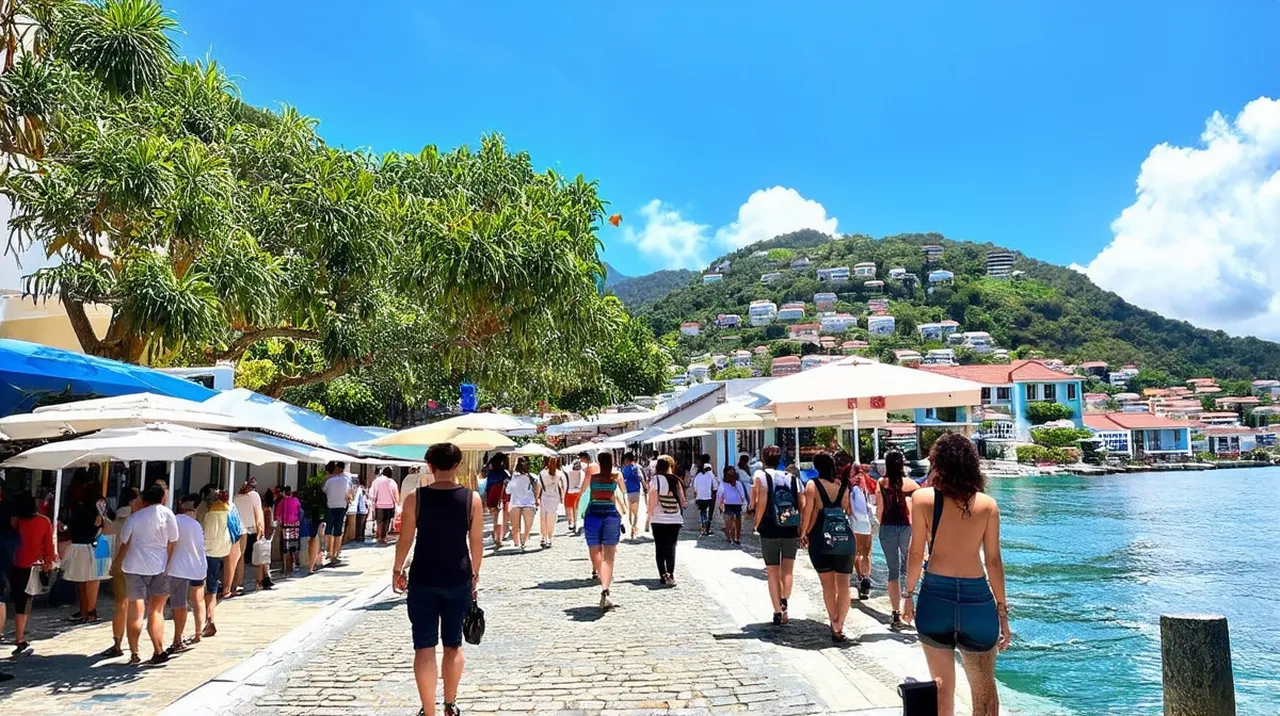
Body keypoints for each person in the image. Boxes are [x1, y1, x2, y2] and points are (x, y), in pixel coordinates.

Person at [903, 433, 1011, 716]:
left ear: (938, 464)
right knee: (985, 692)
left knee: (941, 688)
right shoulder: (987, 505)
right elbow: (994, 562)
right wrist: (1002, 613)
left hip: (935, 599)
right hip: (977, 602)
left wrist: (908, 594)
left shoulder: (922, 499)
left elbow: (916, 554)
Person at [392, 442, 483, 716]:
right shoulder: (472, 500)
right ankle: (450, 704)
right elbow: (476, 542)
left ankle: (428, 710)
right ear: (457, 466)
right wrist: (475, 573)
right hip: (458, 576)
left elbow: (405, 539)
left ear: (429, 466)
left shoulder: (415, 499)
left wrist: (397, 570)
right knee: (453, 644)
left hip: (423, 577)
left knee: (424, 646)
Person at [116, 484, 179, 665]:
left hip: (134, 566)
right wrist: (167, 561)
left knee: (136, 613)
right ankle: (158, 650)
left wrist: (116, 563)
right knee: (156, 611)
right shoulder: (168, 515)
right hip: (160, 566)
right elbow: (172, 541)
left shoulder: (134, 518)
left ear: (143, 500)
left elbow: (124, 542)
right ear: (162, 498)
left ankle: (134, 653)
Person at [799, 453, 854, 642]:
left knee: (828, 584)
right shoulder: (842, 487)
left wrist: (804, 532)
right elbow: (848, 511)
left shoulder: (812, 485)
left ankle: (833, 622)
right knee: (844, 585)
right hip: (844, 538)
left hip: (821, 538)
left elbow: (808, 512)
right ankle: (840, 624)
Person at [752, 445, 803, 625]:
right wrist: (802, 529)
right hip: (790, 526)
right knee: (788, 569)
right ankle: (785, 603)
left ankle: (776, 610)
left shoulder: (760, 476)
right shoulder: (792, 478)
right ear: (780, 459)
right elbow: (801, 504)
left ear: (764, 459)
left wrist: (756, 524)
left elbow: (759, 502)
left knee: (772, 569)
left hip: (769, 526)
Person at [62, 471, 112, 623]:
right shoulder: (96, 501)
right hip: (100, 541)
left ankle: (88, 610)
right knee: (93, 577)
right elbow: (109, 521)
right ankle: (89, 609)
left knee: (84, 578)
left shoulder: (75, 499)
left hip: (88, 541)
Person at [9, 492, 55, 656]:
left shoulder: (15, 521)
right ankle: (19, 637)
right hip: (31, 565)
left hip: (12, 562)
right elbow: (48, 546)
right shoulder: (44, 521)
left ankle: (16, 634)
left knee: (12, 599)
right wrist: (48, 562)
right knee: (24, 602)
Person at [878, 450, 919, 631]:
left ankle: (895, 613)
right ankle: (910, 606)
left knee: (892, 571)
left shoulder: (881, 483)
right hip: (906, 528)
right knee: (908, 568)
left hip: (887, 528)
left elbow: (879, 511)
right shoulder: (912, 485)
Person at [581, 452, 628, 610]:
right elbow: (623, 492)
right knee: (609, 556)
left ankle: (602, 577)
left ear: (599, 463)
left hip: (593, 514)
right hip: (610, 515)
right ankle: (605, 588)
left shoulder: (593, 478)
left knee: (595, 551)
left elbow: (586, 494)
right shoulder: (615, 477)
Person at [166, 495, 207, 653]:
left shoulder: (175, 521)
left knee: (179, 603)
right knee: (198, 599)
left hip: (178, 568)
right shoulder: (197, 525)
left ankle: (179, 637)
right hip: (198, 567)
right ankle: (198, 632)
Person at [647, 455, 685, 585]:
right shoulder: (676, 480)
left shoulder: (655, 480)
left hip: (658, 519)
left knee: (660, 547)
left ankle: (663, 575)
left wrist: (649, 517)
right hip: (675, 519)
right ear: (670, 467)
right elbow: (683, 502)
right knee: (671, 546)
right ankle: (671, 573)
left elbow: (652, 501)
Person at [200, 491, 234, 638]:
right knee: (212, 586)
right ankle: (209, 617)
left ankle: (208, 618)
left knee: (207, 587)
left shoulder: (210, 515)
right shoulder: (229, 511)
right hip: (222, 550)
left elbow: (206, 534)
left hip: (208, 552)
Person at [232, 477, 268, 592]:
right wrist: (261, 529)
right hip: (253, 529)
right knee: (258, 557)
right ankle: (259, 582)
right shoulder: (255, 495)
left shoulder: (235, 497)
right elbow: (258, 513)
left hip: (240, 530)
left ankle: (237, 582)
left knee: (240, 557)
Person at [849, 464, 876, 601]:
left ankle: (861, 579)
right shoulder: (869, 483)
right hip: (868, 524)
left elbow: (857, 507)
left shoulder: (854, 485)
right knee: (867, 553)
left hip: (857, 522)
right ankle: (866, 578)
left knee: (856, 552)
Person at [321, 462, 353, 566]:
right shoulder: (347, 480)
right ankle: (335, 554)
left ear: (336, 468)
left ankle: (329, 553)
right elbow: (349, 494)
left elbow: (324, 490)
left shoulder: (329, 480)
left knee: (329, 529)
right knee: (338, 531)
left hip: (330, 506)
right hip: (342, 506)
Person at [505, 457, 538, 552]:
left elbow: (508, 491)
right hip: (529, 502)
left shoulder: (513, 477)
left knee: (515, 526)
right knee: (528, 526)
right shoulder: (532, 477)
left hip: (515, 502)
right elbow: (536, 489)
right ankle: (524, 541)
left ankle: (517, 543)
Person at [538, 457, 566, 549]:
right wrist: (562, 497)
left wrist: (536, 498)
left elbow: (539, 487)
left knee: (543, 518)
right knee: (551, 518)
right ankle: (549, 538)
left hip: (544, 496)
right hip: (555, 497)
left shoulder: (542, 473)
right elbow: (563, 486)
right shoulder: (559, 473)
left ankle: (543, 537)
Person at [482, 454, 510, 550]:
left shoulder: (490, 474)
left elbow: (487, 488)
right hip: (502, 498)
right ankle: (499, 538)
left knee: (495, 518)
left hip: (492, 497)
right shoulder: (504, 473)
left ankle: (496, 538)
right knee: (501, 519)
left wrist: (485, 500)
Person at [275, 485, 303, 576]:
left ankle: (287, 568)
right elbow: (300, 512)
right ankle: (294, 564)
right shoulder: (296, 500)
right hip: (296, 525)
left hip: (286, 526)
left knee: (286, 547)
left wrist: (279, 525)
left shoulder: (282, 502)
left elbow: (278, 515)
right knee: (294, 546)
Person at [717, 463, 748, 545]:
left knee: (731, 522)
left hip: (731, 505)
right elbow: (742, 495)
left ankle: (731, 538)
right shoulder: (738, 483)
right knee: (735, 522)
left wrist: (720, 504)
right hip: (735, 505)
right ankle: (735, 538)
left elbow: (719, 495)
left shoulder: (725, 484)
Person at [369, 467, 401, 544]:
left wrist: (373, 501)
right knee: (386, 522)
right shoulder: (392, 481)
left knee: (379, 522)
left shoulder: (377, 481)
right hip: (389, 505)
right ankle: (384, 537)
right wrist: (398, 502)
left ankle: (379, 537)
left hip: (379, 505)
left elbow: (372, 493)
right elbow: (396, 493)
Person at [619, 452, 644, 537]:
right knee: (633, 511)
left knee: (633, 511)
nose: (625, 462)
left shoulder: (632, 468)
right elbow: (640, 478)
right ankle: (633, 527)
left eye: (626, 460)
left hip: (631, 491)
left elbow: (640, 478)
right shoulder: (632, 468)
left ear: (629, 460)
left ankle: (633, 528)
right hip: (632, 491)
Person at [692, 456, 717, 537]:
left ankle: (703, 528)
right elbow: (715, 487)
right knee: (709, 514)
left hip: (700, 498)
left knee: (703, 513)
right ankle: (707, 529)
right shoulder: (711, 476)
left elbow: (695, 488)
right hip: (709, 498)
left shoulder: (698, 475)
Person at [564, 452, 588, 536]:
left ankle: (572, 523)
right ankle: (575, 524)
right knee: (576, 508)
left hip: (570, 490)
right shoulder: (583, 468)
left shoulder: (567, 469)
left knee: (569, 507)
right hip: (579, 490)